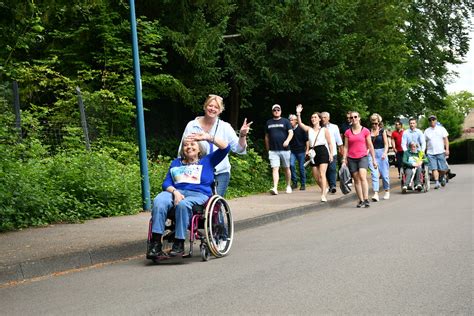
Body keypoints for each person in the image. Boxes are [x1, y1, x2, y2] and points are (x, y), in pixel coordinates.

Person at [147, 133, 230, 259]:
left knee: (183, 204)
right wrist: (175, 192)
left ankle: (179, 243)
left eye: (192, 144)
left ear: (199, 148)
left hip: (198, 194)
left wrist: (207, 137)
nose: (189, 147)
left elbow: (226, 148)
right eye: (186, 145)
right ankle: (156, 244)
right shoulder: (176, 163)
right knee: (159, 200)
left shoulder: (207, 160)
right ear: (182, 149)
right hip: (175, 192)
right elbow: (166, 183)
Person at [179, 94, 253, 197]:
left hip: (220, 173)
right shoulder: (192, 125)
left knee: (214, 204)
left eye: (216, 107)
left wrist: (242, 135)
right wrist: (180, 168)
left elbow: (239, 149)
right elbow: (182, 150)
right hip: (197, 172)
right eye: (210, 105)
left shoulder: (225, 127)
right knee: (197, 203)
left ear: (220, 110)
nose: (212, 109)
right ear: (205, 106)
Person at [296, 104, 333, 202]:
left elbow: (329, 143)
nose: (313, 119)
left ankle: (323, 195)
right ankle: (324, 188)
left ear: (320, 119)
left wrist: (331, 154)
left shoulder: (324, 130)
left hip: (322, 151)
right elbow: (300, 124)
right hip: (313, 152)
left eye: (315, 117)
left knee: (322, 174)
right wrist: (298, 113)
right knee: (316, 176)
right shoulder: (309, 129)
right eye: (312, 117)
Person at [342, 111, 377, 208]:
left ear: (359, 118)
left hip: (362, 156)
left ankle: (366, 199)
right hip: (351, 158)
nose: (353, 119)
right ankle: (360, 200)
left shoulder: (365, 131)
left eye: (355, 117)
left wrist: (374, 159)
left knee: (362, 176)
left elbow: (370, 145)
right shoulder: (347, 132)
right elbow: (345, 147)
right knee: (356, 179)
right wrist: (344, 159)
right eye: (352, 117)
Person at [265, 104, 294, 195]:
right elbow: (266, 136)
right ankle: (275, 187)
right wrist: (267, 148)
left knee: (286, 168)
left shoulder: (285, 121)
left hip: (284, 149)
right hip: (273, 150)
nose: (276, 111)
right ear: (272, 111)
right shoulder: (268, 122)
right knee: (275, 168)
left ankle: (288, 185)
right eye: (275, 110)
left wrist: (287, 141)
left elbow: (291, 132)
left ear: (280, 111)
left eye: (278, 110)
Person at [368, 113, 391, 201]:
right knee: (374, 174)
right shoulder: (369, 132)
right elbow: (368, 145)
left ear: (379, 122)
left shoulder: (382, 131)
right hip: (372, 154)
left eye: (376, 123)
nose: (374, 125)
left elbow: (386, 144)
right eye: (372, 123)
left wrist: (385, 153)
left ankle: (387, 190)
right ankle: (376, 193)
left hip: (381, 153)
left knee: (384, 175)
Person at [424, 115, 449, 189]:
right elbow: (424, 142)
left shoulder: (441, 129)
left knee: (442, 169)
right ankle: (437, 182)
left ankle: (443, 176)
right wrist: (423, 151)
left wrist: (447, 149)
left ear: (436, 120)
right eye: (430, 120)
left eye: (433, 119)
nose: (432, 121)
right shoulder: (426, 131)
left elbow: (446, 140)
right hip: (430, 153)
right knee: (434, 168)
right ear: (429, 122)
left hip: (441, 152)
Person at [321, 111, 343, 194]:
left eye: (325, 117)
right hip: (322, 152)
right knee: (325, 170)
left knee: (332, 168)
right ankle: (328, 185)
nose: (323, 119)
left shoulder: (334, 127)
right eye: (322, 117)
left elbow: (338, 139)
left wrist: (341, 149)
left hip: (332, 151)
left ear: (328, 118)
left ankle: (333, 186)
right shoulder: (319, 127)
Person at [288, 114, 309, 190]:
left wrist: (307, 150)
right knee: (291, 165)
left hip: (301, 151)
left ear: (296, 121)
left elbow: (307, 140)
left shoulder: (301, 128)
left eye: (292, 120)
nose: (291, 121)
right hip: (292, 151)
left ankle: (303, 184)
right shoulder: (289, 130)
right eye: (290, 120)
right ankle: (295, 183)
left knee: (301, 167)